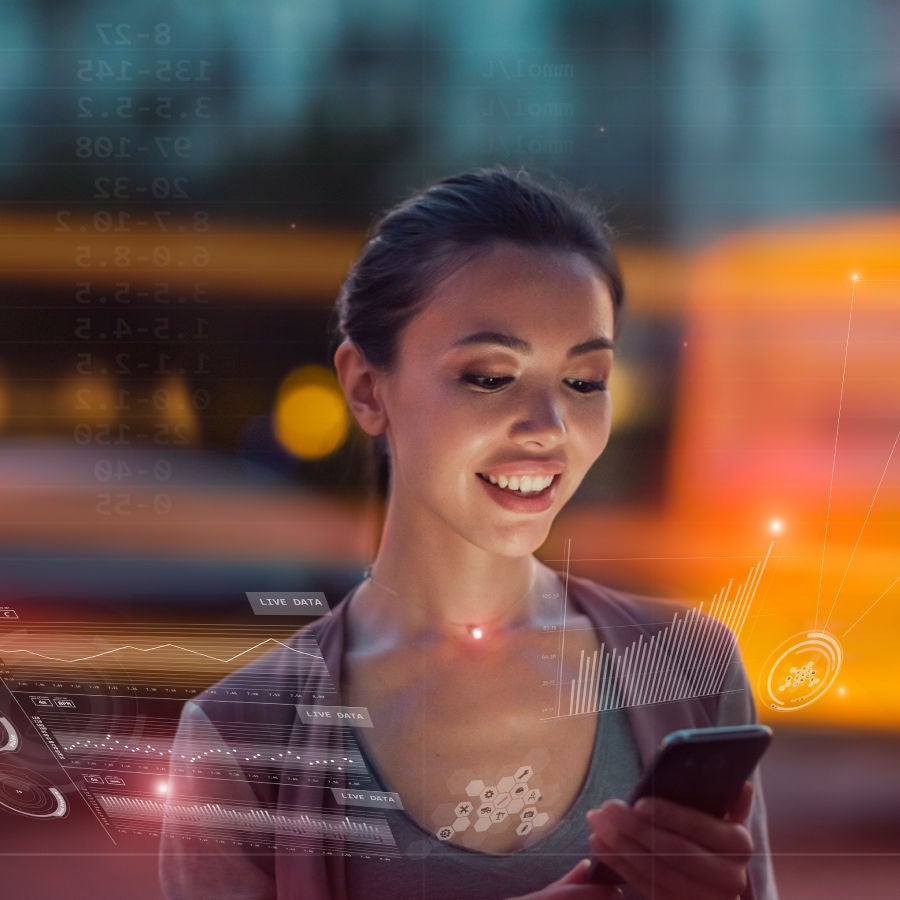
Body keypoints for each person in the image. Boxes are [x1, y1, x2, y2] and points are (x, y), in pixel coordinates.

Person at [159, 167, 777, 899]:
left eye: (584, 382)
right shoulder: (242, 737)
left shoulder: (688, 669)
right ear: (365, 388)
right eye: (490, 376)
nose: (549, 430)